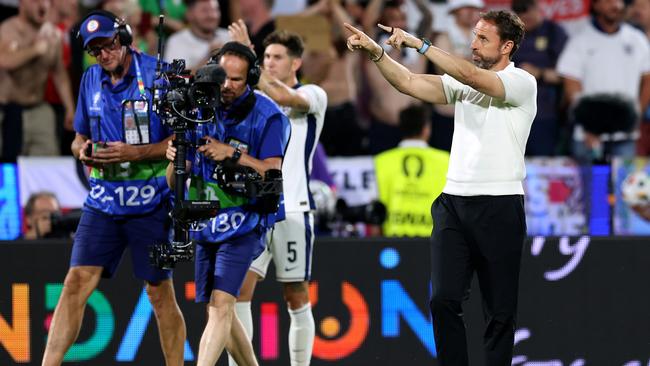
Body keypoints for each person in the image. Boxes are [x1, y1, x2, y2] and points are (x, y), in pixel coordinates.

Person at [344, 9, 535, 365]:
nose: (473, 44)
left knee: (499, 312)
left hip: (500, 205)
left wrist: (421, 44)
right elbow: (409, 83)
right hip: (453, 204)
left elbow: (473, 76)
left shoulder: (522, 83)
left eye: (483, 39)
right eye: (474, 36)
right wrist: (377, 53)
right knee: (442, 299)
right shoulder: (464, 82)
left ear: (507, 46)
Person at [41, 11, 186, 366]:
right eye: (95, 50)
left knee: (159, 293)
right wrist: (83, 151)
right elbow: (78, 138)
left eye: (108, 45)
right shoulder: (90, 78)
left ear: (124, 39)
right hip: (103, 203)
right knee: (75, 284)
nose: (103, 55)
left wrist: (135, 153)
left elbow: (181, 139)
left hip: (150, 201)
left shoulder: (157, 75)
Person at [165, 41, 290, 366]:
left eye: (236, 79)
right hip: (207, 219)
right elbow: (173, 180)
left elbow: (273, 173)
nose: (227, 86)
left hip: (246, 219)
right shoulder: (200, 109)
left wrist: (232, 154)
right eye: (223, 78)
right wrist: (175, 157)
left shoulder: (268, 115)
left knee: (221, 304)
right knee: (217, 307)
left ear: (251, 77)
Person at [227, 29, 327, 366]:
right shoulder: (254, 105)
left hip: (294, 209)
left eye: (276, 57)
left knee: (295, 294)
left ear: (296, 62)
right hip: (254, 210)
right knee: (237, 292)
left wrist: (249, 57)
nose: (269, 63)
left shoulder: (313, 95)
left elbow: (288, 99)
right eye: (265, 57)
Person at [557, 0, 650, 163]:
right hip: (588, 134)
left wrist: (637, 115)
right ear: (596, 5)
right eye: (609, 1)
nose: (616, 5)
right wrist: (587, 124)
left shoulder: (637, 39)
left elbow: (648, 79)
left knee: (624, 186)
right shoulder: (580, 41)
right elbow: (571, 83)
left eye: (619, 1)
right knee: (589, 187)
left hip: (625, 133)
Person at [0, 0, 75, 162]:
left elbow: (59, 74)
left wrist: (70, 108)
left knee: (47, 165)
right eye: (35, 0)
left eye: (46, 1)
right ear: (22, 4)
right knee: (7, 168)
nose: (43, 5)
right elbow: (4, 61)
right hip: (7, 111)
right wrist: (34, 50)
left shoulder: (53, 35)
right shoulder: (8, 29)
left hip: (38, 109)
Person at [374, 105, 449, 237]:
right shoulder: (445, 160)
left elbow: (374, 211)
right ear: (426, 129)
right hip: (432, 243)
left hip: (392, 246)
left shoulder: (381, 161)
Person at [512, 0, 568, 156]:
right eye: (519, 10)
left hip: (544, 113)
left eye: (528, 8)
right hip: (513, 113)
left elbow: (568, 75)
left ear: (538, 7)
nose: (524, 14)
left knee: (542, 165)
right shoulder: (511, 34)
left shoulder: (554, 32)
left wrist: (539, 73)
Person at [164, 0, 230, 71]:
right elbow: (176, 78)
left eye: (215, 10)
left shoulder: (229, 36)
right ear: (189, 14)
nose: (212, 15)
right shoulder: (176, 42)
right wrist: (210, 58)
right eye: (205, 11)